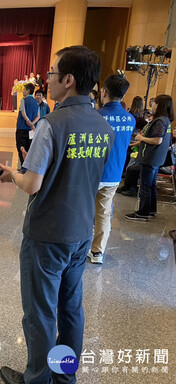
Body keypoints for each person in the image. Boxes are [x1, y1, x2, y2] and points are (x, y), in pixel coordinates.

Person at [0, 45, 114, 384]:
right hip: (80, 231)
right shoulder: (103, 127)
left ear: (68, 79)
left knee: (40, 313)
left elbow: (32, 184)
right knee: (71, 309)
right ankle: (65, 377)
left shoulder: (52, 123)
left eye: (51, 73)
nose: (46, 79)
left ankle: (37, 379)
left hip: (47, 232)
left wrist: (12, 173)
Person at [87, 74, 135, 264]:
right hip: (114, 175)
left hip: (93, 174)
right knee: (104, 213)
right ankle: (97, 252)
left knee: (84, 211)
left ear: (103, 92)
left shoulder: (95, 116)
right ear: (123, 95)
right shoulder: (130, 120)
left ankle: (79, 248)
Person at [125, 94, 174, 222]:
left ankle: (142, 213)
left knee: (145, 185)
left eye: (154, 103)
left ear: (159, 105)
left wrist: (141, 138)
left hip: (151, 158)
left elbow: (158, 140)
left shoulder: (160, 121)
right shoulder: (166, 120)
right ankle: (151, 210)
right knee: (151, 185)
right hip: (157, 158)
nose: (151, 105)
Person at [15, 83, 39, 166]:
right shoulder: (36, 102)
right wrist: (32, 124)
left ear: (28, 90)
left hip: (22, 128)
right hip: (31, 130)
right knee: (29, 149)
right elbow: (38, 116)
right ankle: (27, 167)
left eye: (24, 90)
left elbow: (23, 112)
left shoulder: (23, 100)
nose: (23, 91)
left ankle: (23, 167)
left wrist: (28, 121)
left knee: (21, 148)